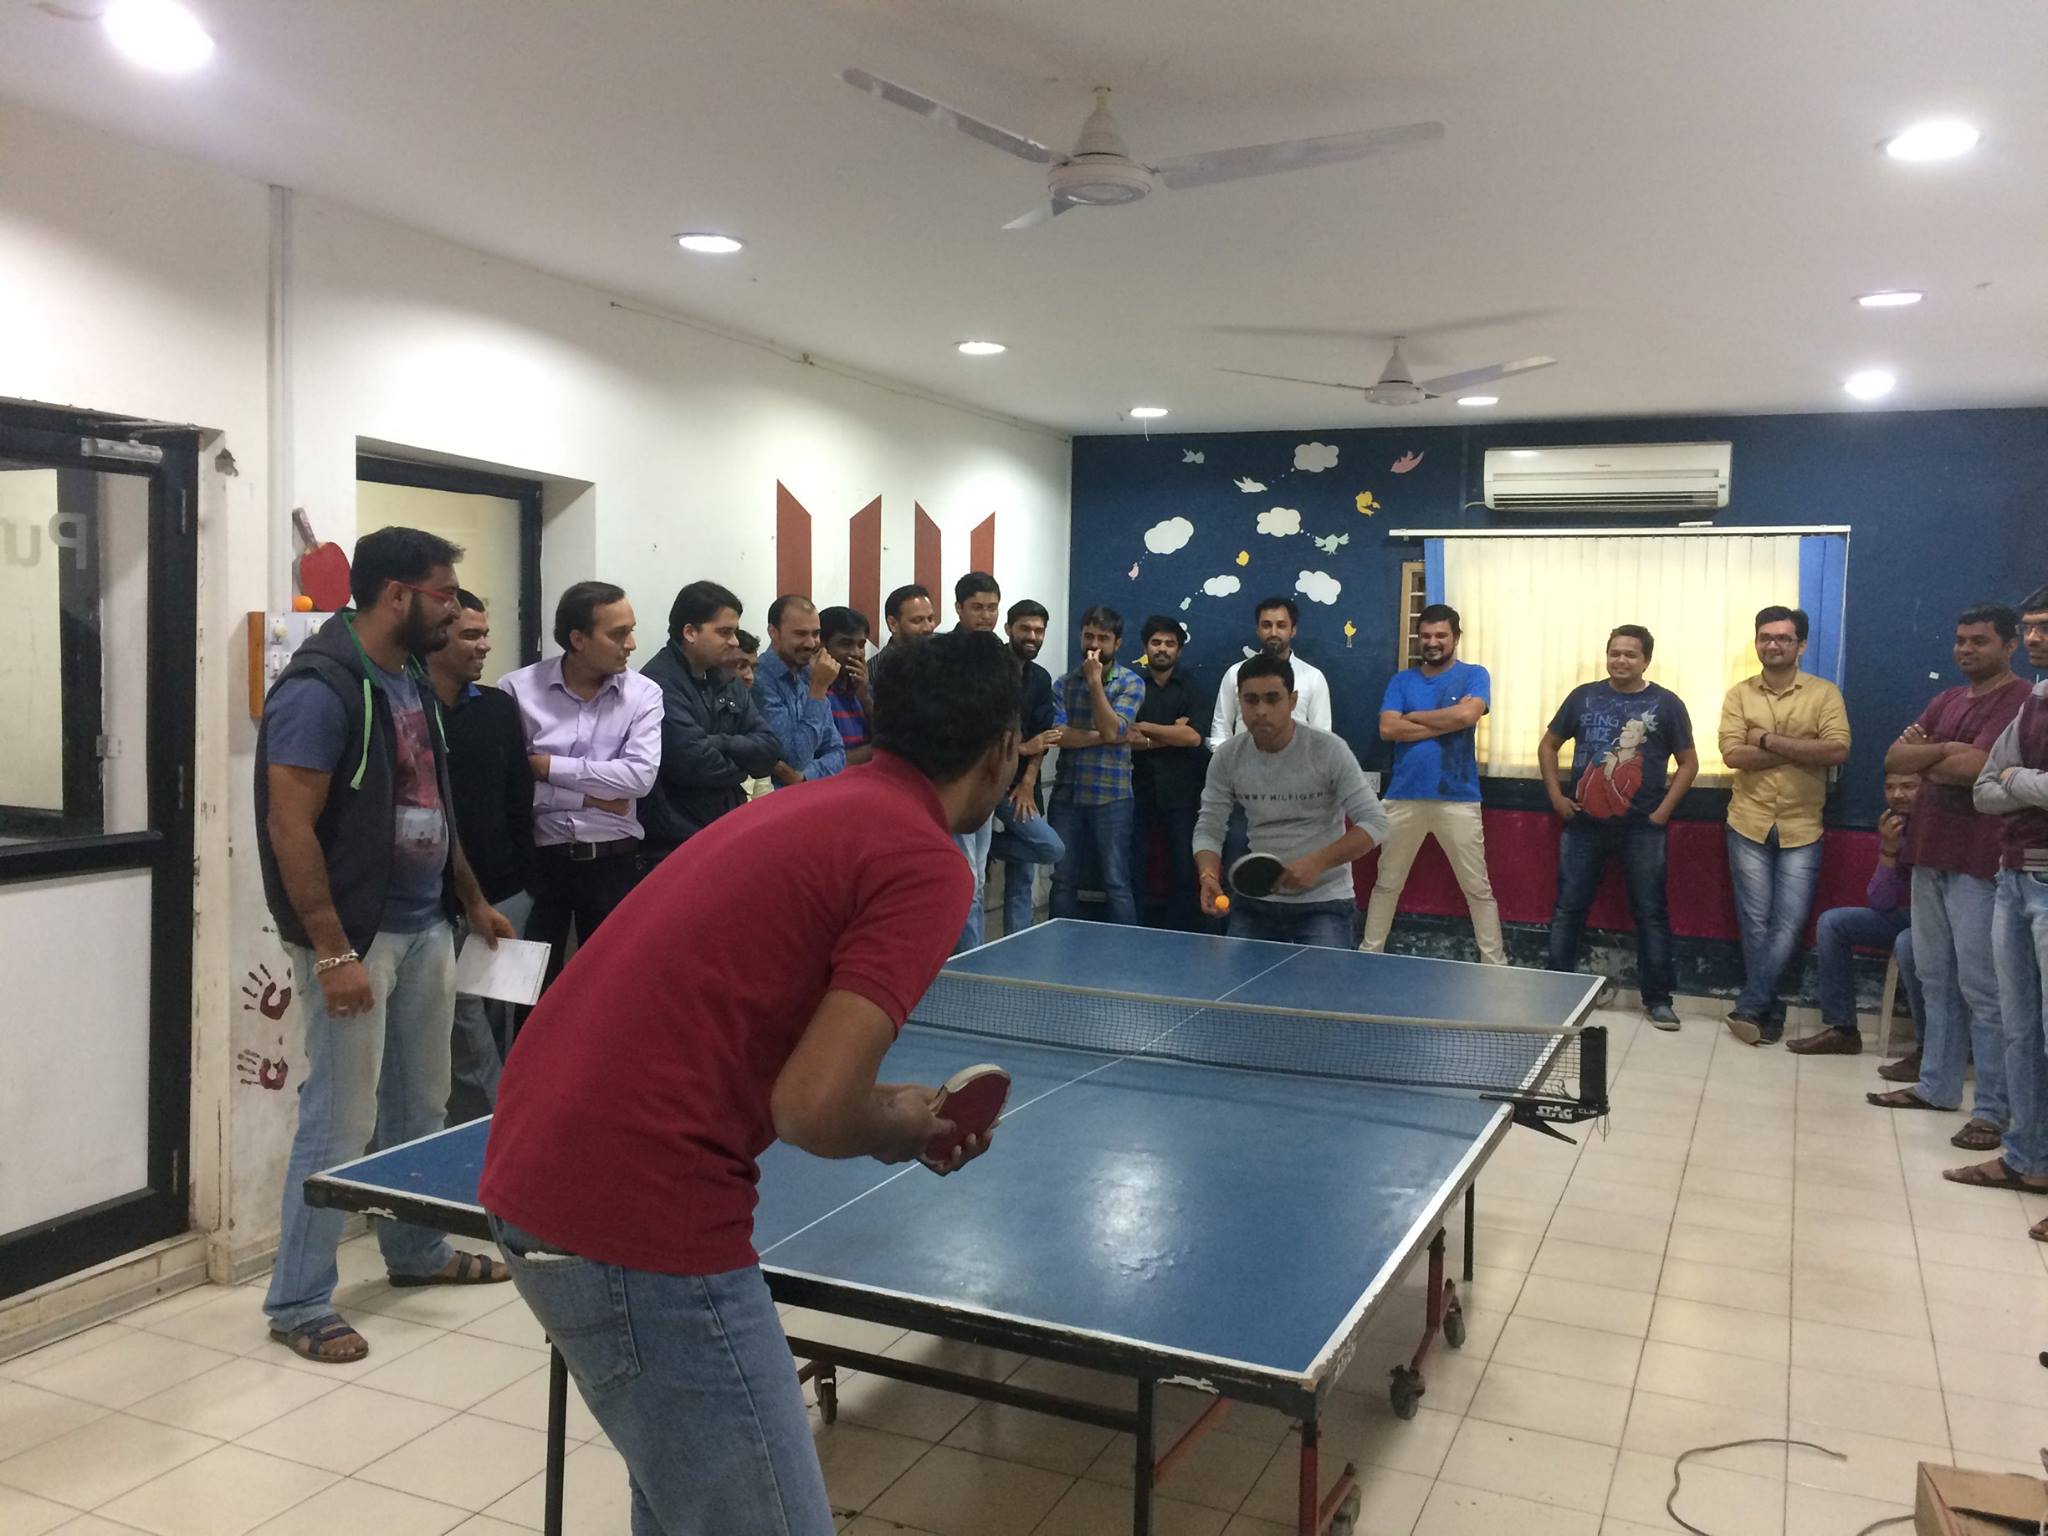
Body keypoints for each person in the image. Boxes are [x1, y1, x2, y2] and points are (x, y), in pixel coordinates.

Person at [477, 629, 1016, 1534]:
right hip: (637, 1210)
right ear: (1003, 747)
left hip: (535, 1166)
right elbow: (812, 1108)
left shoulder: (812, 805)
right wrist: (906, 1127)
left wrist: (891, 1107)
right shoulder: (924, 859)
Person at [255, 527, 515, 1363]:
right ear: (399, 595)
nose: (457, 611)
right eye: (446, 594)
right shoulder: (321, 687)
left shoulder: (410, 680)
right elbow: (289, 824)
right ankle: (298, 1301)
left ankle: (416, 1250)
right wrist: (333, 952)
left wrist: (470, 898)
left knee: (419, 1108)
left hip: (425, 924)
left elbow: (432, 803)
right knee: (340, 1122)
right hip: (355, 937)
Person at [1856, 608, 2024, 1160]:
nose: (1966, 650)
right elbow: (1895, 758)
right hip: (1927, 852)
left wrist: (1937, 755)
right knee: (1934, 978)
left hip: (1979, 860)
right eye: (1960, 640)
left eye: (1979, 641)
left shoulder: (2020, 700)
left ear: (2010, 645)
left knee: (1983, 989)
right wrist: (1946, 753)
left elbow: (1977, 768)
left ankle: (1992, 1110)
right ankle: (1936, 1086)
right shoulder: (1948, 699)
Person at [501, 582, 664, 988]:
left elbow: (639, 778)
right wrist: (593, 796)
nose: (631, 644)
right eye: (618, 634)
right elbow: (512, 791)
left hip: (615, 862)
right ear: (578, 639)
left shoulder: (644, 695)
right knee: (528, 990)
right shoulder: (517, 690)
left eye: (631, 630)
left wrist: (547, 766)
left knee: (609, 988)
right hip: (540, 866)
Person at [1538, 625, 1699, 1029]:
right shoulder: (1582, 697)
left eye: (1630, 654)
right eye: (1615, 653)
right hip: (1583, 826)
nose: (1621, 660)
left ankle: (1658, 1000)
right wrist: (1557, 797)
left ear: (1646, 660)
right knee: (1569, 907)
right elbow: (1548, 746)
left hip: (1643, 829)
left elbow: (1689, 763)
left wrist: (1662, 813)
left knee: (1650, 912)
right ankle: (1556, 994)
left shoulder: (1667, 704)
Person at [1949, 586, 2048, 1216]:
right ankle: (2027, 1159)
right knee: (2021, 1031)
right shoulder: (2037, 699)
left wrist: (2019, 779)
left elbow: (2002, 779)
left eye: (2045, 628)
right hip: (2014, 877)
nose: (2036, 638)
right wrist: (2021, 783)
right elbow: (1986, 789)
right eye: (2032, 626)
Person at [1718, 606, 1853, 1045]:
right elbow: (1732, 755)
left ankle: (1752, 1007)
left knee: (1790, 924)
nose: (1773, 644)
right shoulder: (1739, 695)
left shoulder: (1824, 694)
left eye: (1783, 638)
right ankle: (1768, 1014)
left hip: (1802, 825)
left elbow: (1836, 750)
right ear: (1757, 642)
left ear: (1801, 645)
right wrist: (1801, 748)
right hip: (1748, 820)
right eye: (1766, 637)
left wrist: (1765, 739)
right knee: (1755, 923)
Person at [425, 589, 533, 1123]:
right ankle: (492, 1130)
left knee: (493, 1024)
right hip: (435, 904)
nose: (485, 645)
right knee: (458, 1033)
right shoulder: (411, 708)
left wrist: (524, 885)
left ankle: (489, 1124)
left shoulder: (498, 708)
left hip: (504, 894)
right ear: (436, 636)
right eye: (471, 634)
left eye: (486, 633)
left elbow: (519, 798)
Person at [1195, 655, 1387, 947]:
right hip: (1255, 903)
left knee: (1322, 979)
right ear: (1239, 702)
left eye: (1272, 699)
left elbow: (1375, 823)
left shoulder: (1329, 750)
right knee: (1235, 979)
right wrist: (1208, 875)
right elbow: (1209, 826)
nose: (1261, 710)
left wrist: (1318, 862)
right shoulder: (1227, 757)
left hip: (1325, 904)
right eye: (1251, 700)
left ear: (1293, 700)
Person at [1361, 604, 1505, 964]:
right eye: (1425, 635)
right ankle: (1369, 956)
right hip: (1402, 798)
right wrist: (1449, 722)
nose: (1432, 642)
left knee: (1477, 888)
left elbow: (1468, 714)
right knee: (1386, 883)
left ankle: (1496, 966)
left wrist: (1415, 717)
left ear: (1456, 638)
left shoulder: (1475, 674)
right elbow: (1388, 728)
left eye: (1441, 635)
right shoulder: (1402, 681)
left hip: (1458, 798)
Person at [639, 581, 782, 859]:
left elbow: (770, 749)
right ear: (690, 632)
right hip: (675, 841)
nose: (735, 641)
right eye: (724, 632)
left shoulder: (726, 678)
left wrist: (720, 742)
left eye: (735, 632)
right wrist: (744, 766)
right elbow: (691, 762)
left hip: (726, 826)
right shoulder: (658, 684)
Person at [1809, 772, 1924, 1076]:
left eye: (1908, 786)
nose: (1898, 795)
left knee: (1908, 943)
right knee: (1833, 923)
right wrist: (1889, 849)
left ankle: (1929, 1050)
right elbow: (1881, 902)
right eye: (1890, 787)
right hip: (1907, 915)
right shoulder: (1894, 826)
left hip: (1943, 923)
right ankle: (1843, 1030)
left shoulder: (1941, 827)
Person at [1047, 605, 1145, 925]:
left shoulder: (1131, 683)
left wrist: (1094, 684)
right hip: (1067, 794)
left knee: (1116, 882)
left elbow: (1113, 728)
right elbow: (1059, 735)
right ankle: (1058, 944)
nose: (1094, 644)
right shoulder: (1063, 684)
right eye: (1089, 636)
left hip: (1112, 796)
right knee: (1063, 879)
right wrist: (1106, 736)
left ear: (1117, 643)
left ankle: (1126, 949)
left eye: (1103, 638)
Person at [1129, 615, 1211, 931]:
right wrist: (1171, 733)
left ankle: (1183, 932)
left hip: (1182, 792)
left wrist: (1145, 728)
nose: (1162, 649)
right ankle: (1135, 929)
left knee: (1182, 867)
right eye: (1156, 643)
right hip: (1139, 790)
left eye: (1170, 644)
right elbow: (1125, 737)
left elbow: (1193, 738)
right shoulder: (1132, 686)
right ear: (1145, 647)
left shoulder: (1192, 687)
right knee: (1135, 864)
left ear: (1179, 649)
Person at [995, 598, 1066, 937]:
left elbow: (1043, 736)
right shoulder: (990, 670)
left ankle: (1017, 942)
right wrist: (1023, 748)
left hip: (1022, 782)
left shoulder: (1040, 677)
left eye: (1039, 630)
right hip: (988, 781)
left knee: (1025, 873)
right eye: (1025, 628)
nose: (1033, 636)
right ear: (1009, 629)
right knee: (1050, 847)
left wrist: (1027, 783)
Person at [949, 573, 1004, 950]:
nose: (986, 616)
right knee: (966, 879)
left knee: (978, 879)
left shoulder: (999, 652)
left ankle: (974, 955)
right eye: (977, 607)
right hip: (955, 779)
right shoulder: (942, 654)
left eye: (992, 608)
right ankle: (967, 963)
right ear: (959, 608)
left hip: (990, 777)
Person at [1206, 596, 1332, 745]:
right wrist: (1226, 758)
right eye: (1266, 625)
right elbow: (1221, 728)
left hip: (1297, 759)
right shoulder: (1235, 673)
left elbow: (1322, 736)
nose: (1273, 632)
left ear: (1293, 630)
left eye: (1281, 626)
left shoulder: (1313, 677)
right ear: (1258, 630)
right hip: (1244, 759)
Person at [756, 594, 847, 790]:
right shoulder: (759, 679)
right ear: (773, 632)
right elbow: (795, 758)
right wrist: (818, 690)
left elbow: (838, 752)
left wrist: (804, 778)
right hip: (776, 800)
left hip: (811, 793)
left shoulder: (810, 673)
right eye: (800, 634)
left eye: (816, 634)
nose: (811, 643)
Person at [819, 606, 875, 766]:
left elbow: (889, 737)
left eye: (861, 645)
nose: (856, 653)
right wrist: (877, 751)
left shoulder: (863, 688)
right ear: (822, 646)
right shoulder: (814, 692)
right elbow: (825, 764)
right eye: (845, 644)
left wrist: (865, 698)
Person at [733, 630, 774, 800]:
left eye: (753, 668)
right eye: (741, 666)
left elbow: (764, 785)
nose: (750, 676)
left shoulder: (753, 709)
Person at [877, 582, 937, 660]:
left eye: (930, 619)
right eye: (917, 621)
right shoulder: (877, 665)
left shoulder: (943, 658)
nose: (928, 628)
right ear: (893, 624)